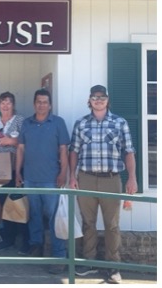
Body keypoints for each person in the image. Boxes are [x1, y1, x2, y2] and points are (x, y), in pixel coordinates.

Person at [69, 85, 138, 284]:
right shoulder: (81, 124)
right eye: (94, 97)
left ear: (108, 100)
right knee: (88, 223)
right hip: (86, 178)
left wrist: (132, 178)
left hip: (111, 179)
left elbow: (129, 152)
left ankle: (113, 267)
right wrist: (72, 177)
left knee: (112, 225)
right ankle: (88, 262)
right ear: (89, 100)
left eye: (102, 97)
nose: (98, 100)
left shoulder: (119, 122)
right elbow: (73, 151)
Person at [15, 89, 70, 274]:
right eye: (38, 101)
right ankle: (36, 246)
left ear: (50, 105)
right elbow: (21, 149)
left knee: (55, 219)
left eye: (45, 102)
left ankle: (58, 256)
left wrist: (63, 172)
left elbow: (64, 150)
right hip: (30, 178)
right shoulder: (27, 124)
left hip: (51, 179)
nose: (41, 105)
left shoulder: (58, 123)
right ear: (34, 104)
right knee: (34, 215)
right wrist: (17, 172)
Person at [0, 91, 29, 254]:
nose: (5, 105)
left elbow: (26, 141)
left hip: (17, 168)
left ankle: (25, 241)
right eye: (2, 102)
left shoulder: (20, 120)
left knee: (19, 204)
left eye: (8, 102)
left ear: (13, 105)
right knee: (4, 204)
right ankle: (8, 239)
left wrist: (11, 141)